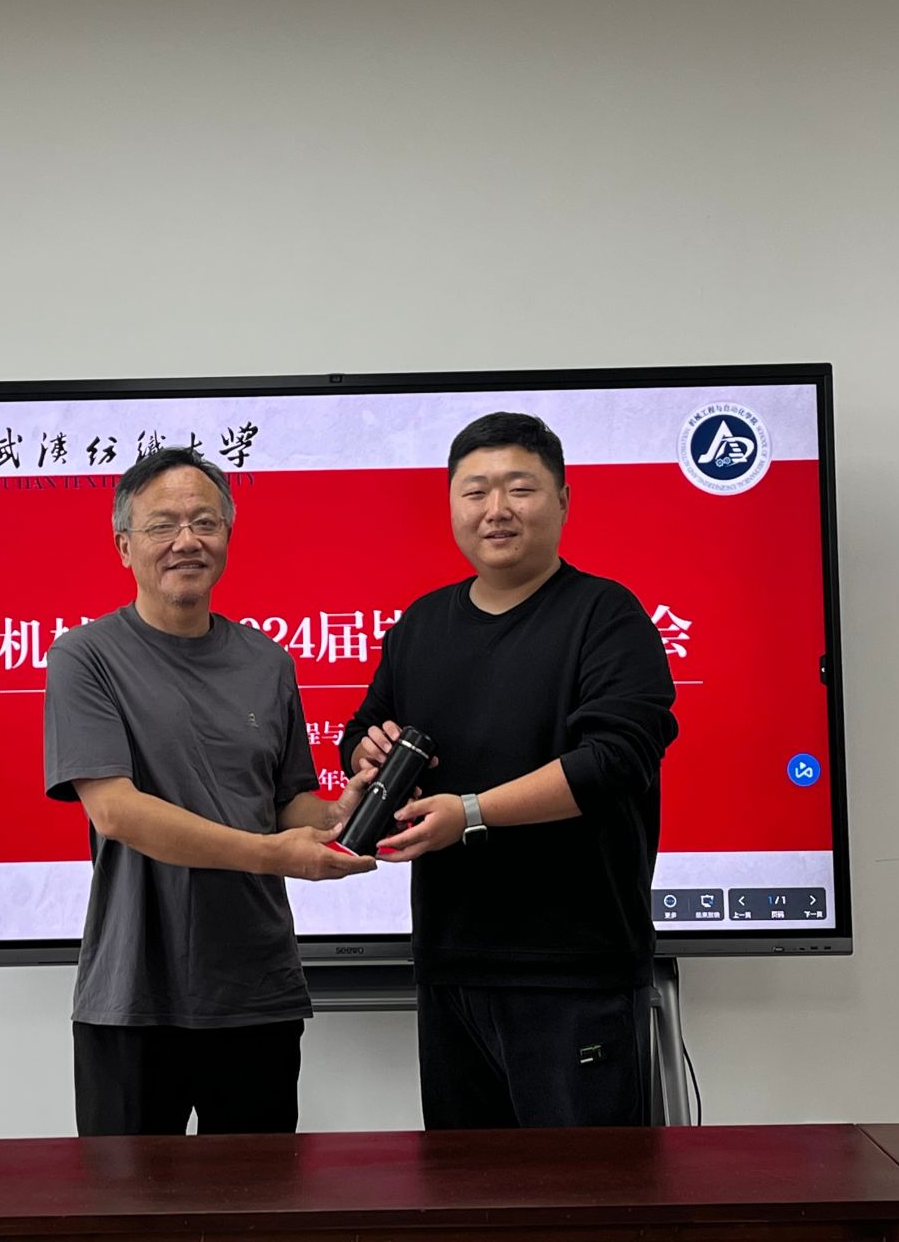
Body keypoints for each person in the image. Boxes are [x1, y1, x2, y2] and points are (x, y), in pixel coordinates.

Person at [340, 411, 677, 1129]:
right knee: (465, 1189)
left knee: (583, 1190)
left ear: (563, 500)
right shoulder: (421, 624)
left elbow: (613, 762)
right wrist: (367, 754)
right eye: (475, 491)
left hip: (574, 968)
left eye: (519, 488)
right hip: (451, 963)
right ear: (452, 505)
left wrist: (471, 813)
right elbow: (360, 732)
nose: (496, 509)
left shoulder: (606, 616)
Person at [45, 446, 374, 1136]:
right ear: (124, 547)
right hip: (134, 994)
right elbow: (116, 812)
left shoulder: (267, 662)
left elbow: (286, 803)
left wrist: (344, 811)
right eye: (163, 525)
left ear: (227, 535)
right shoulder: (85, 656)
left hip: (256, 990)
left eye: (205, 522)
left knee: (259, 1197)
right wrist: (273, 856)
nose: (187, 540)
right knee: (123, 1199)